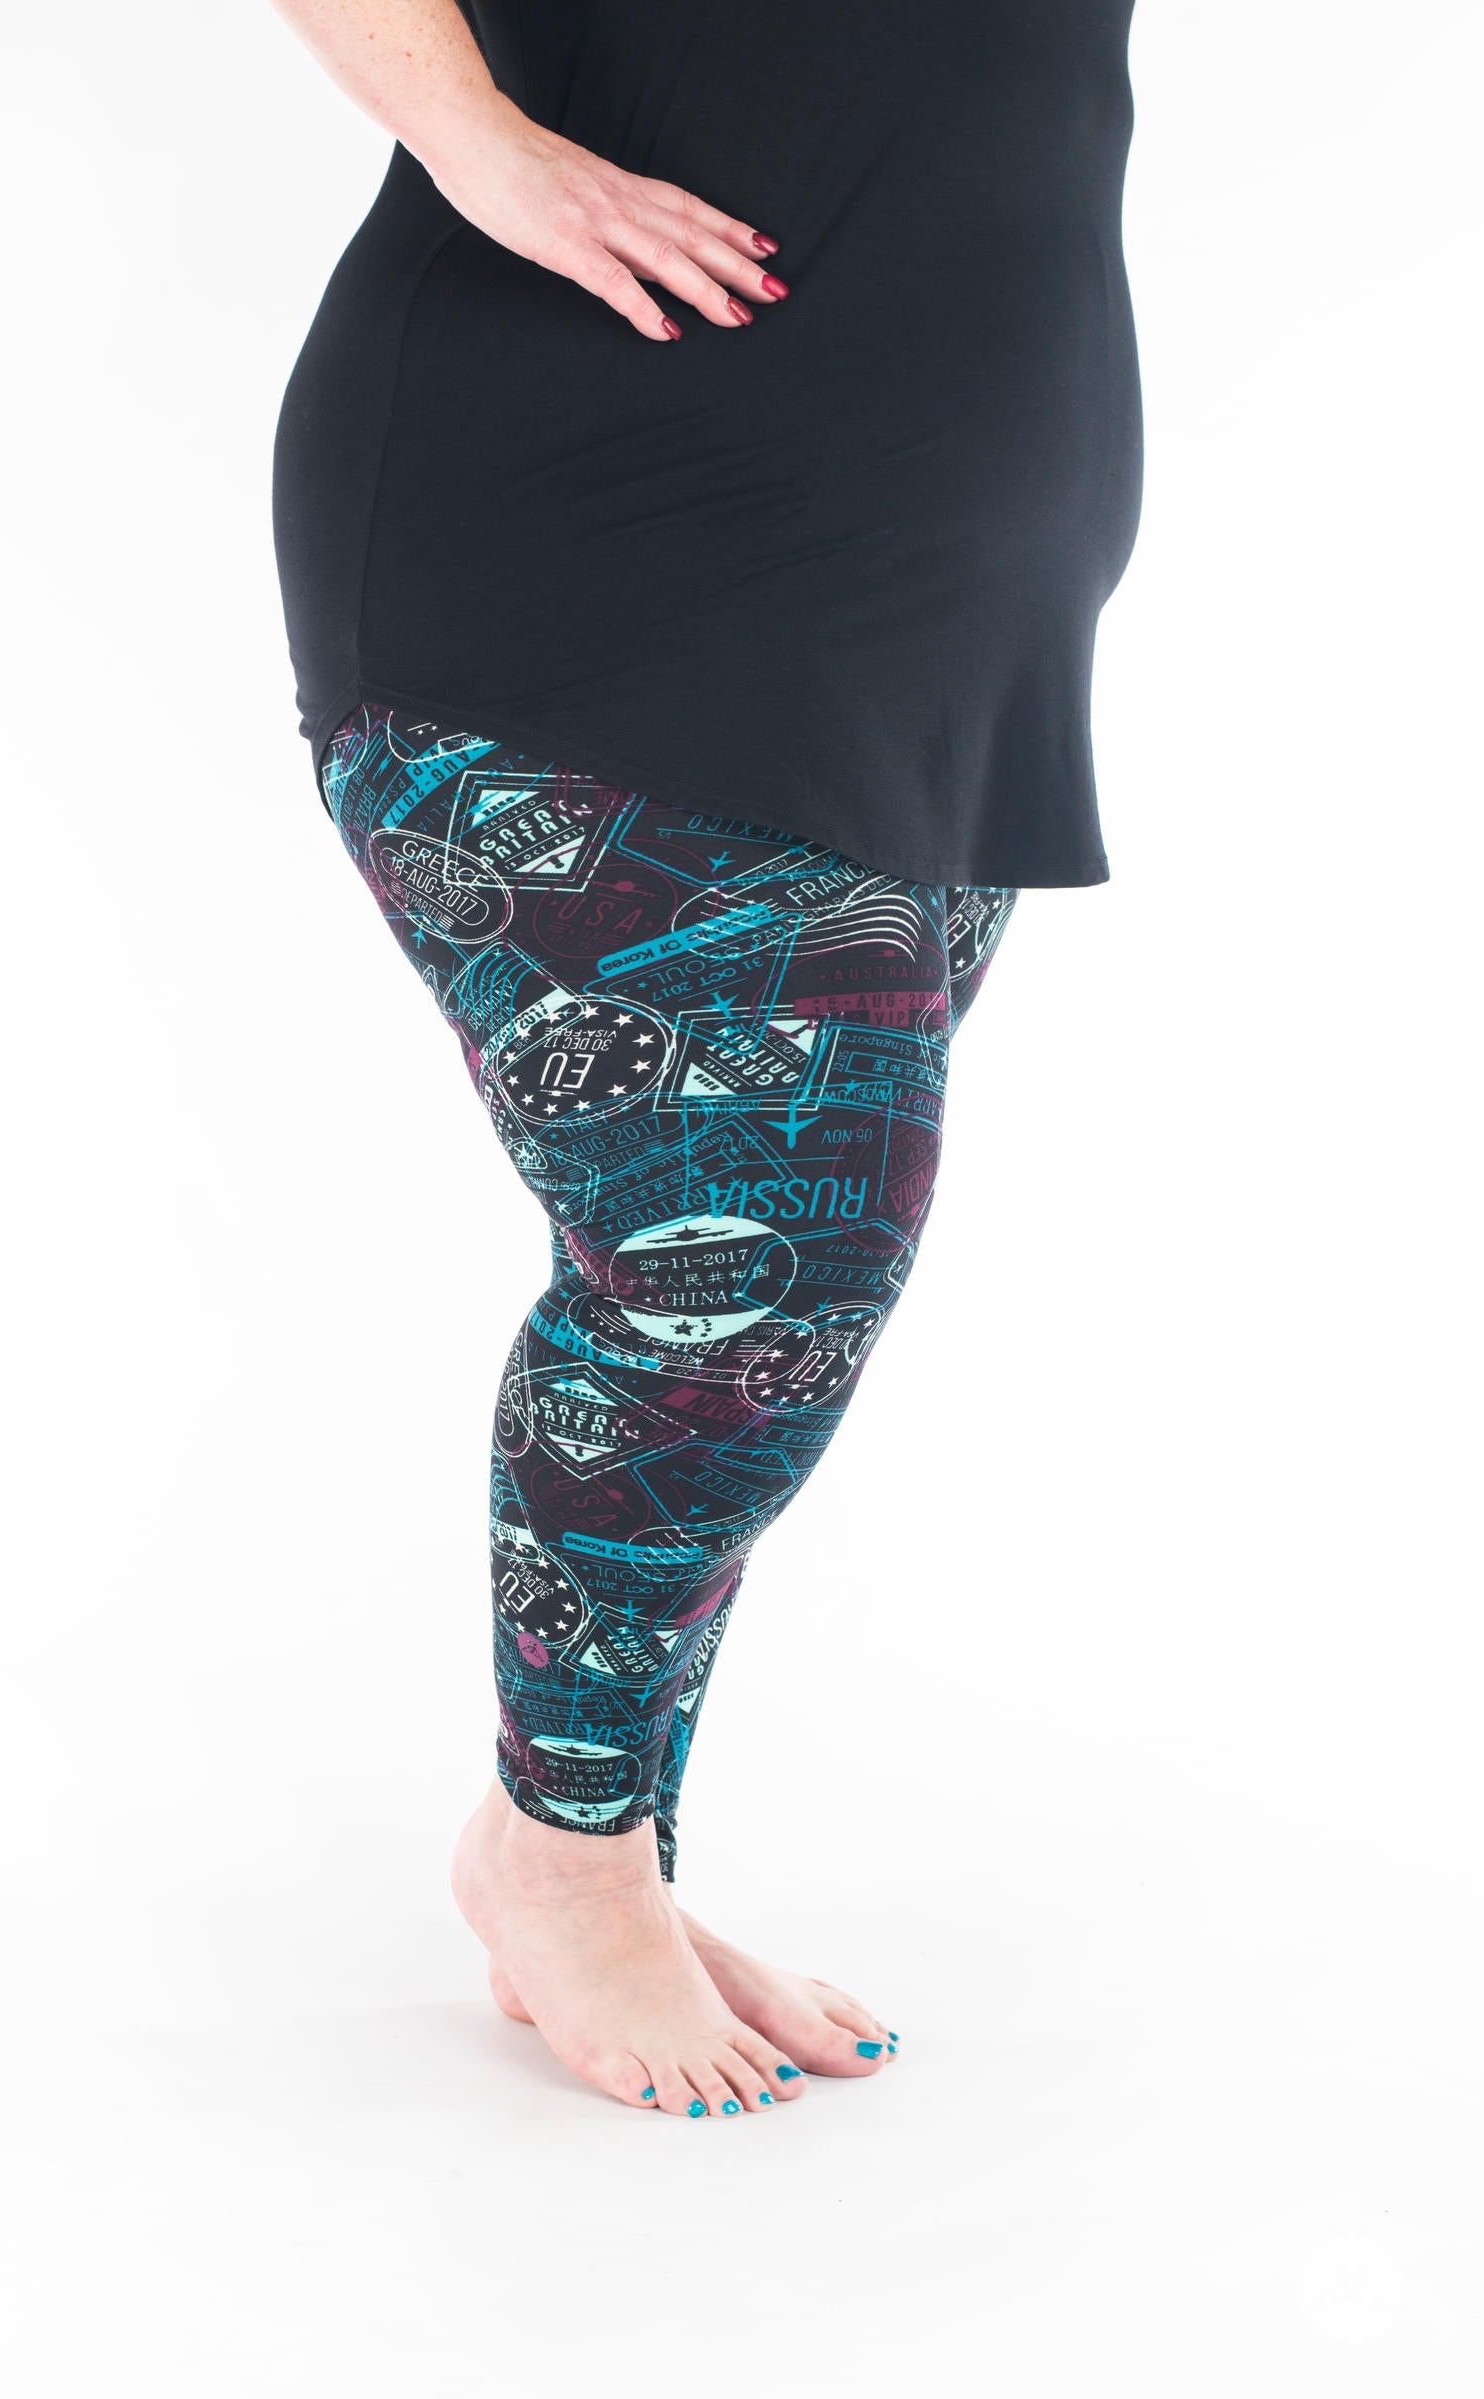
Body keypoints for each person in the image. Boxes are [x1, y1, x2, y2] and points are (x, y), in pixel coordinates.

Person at [268, 0, 1143, 2120]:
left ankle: (607, 1840)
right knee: (740, 1268)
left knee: (757, 1305)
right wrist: (470, 136)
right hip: (596, 519)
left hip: (938, 613)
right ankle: (562, 1857)